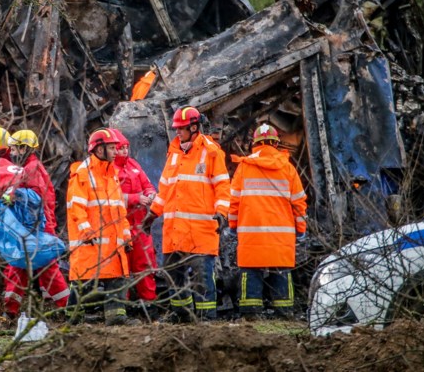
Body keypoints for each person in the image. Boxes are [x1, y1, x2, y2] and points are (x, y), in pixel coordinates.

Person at [145, 106, 231, 322]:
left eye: (181, 129)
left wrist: (221, 212)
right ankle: (180, 315)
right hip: (174, 233)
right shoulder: (173, 154)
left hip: (199, 233)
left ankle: (206, 318)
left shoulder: (211, 152)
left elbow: (222, 186)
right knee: (174, 278)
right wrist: (153, 213)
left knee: (203, 279)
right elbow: (165, 189)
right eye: (176, 129)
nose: (177, 133)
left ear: (194, 127)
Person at [0, 130, 70, 319]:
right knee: (18, 265)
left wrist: (12, 196)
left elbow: (36, 201)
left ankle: (67, 307)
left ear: (23, 149)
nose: (11, 152)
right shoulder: (31, 168)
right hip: (32, 228)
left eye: (14, 148)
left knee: (47, 267)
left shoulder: (32, 170)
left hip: (37, 228)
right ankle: (10, 310)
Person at [228, 123, 308, 319]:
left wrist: (232, 227)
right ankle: (284, 313)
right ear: (276, 144)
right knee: (280, 271)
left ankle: (251, 314)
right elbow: (299, 204)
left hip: (251, 235)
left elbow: (234, 203)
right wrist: (301, 229)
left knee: (251, 271)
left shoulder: (244, 167)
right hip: (281, 237)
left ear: (255, 144)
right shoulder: (288, 169)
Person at [66, 128, 132, 325]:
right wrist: (87, 231)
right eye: (111, 148)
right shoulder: (83, 174)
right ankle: (73, 320)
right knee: (83, 281)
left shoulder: (112, 175)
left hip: (112, 242)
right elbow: (76, 207)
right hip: (91, 242)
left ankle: (116, 318)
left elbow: (120, 209)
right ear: (99, 149)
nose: (115, 152)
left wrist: (126, 236)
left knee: (117, 279)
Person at [111, 129, 158, 309]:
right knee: (123, 267)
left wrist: (151, 195)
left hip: (139, 224)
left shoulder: (134, 165)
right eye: (120, 148)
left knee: (145, 264)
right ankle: (123, 306)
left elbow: (147, 185)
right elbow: (111, 197)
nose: (124, 152)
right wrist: (136, 198)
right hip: (120, 225)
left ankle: (150, 303)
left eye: (126, 148)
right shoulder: (109, 170)